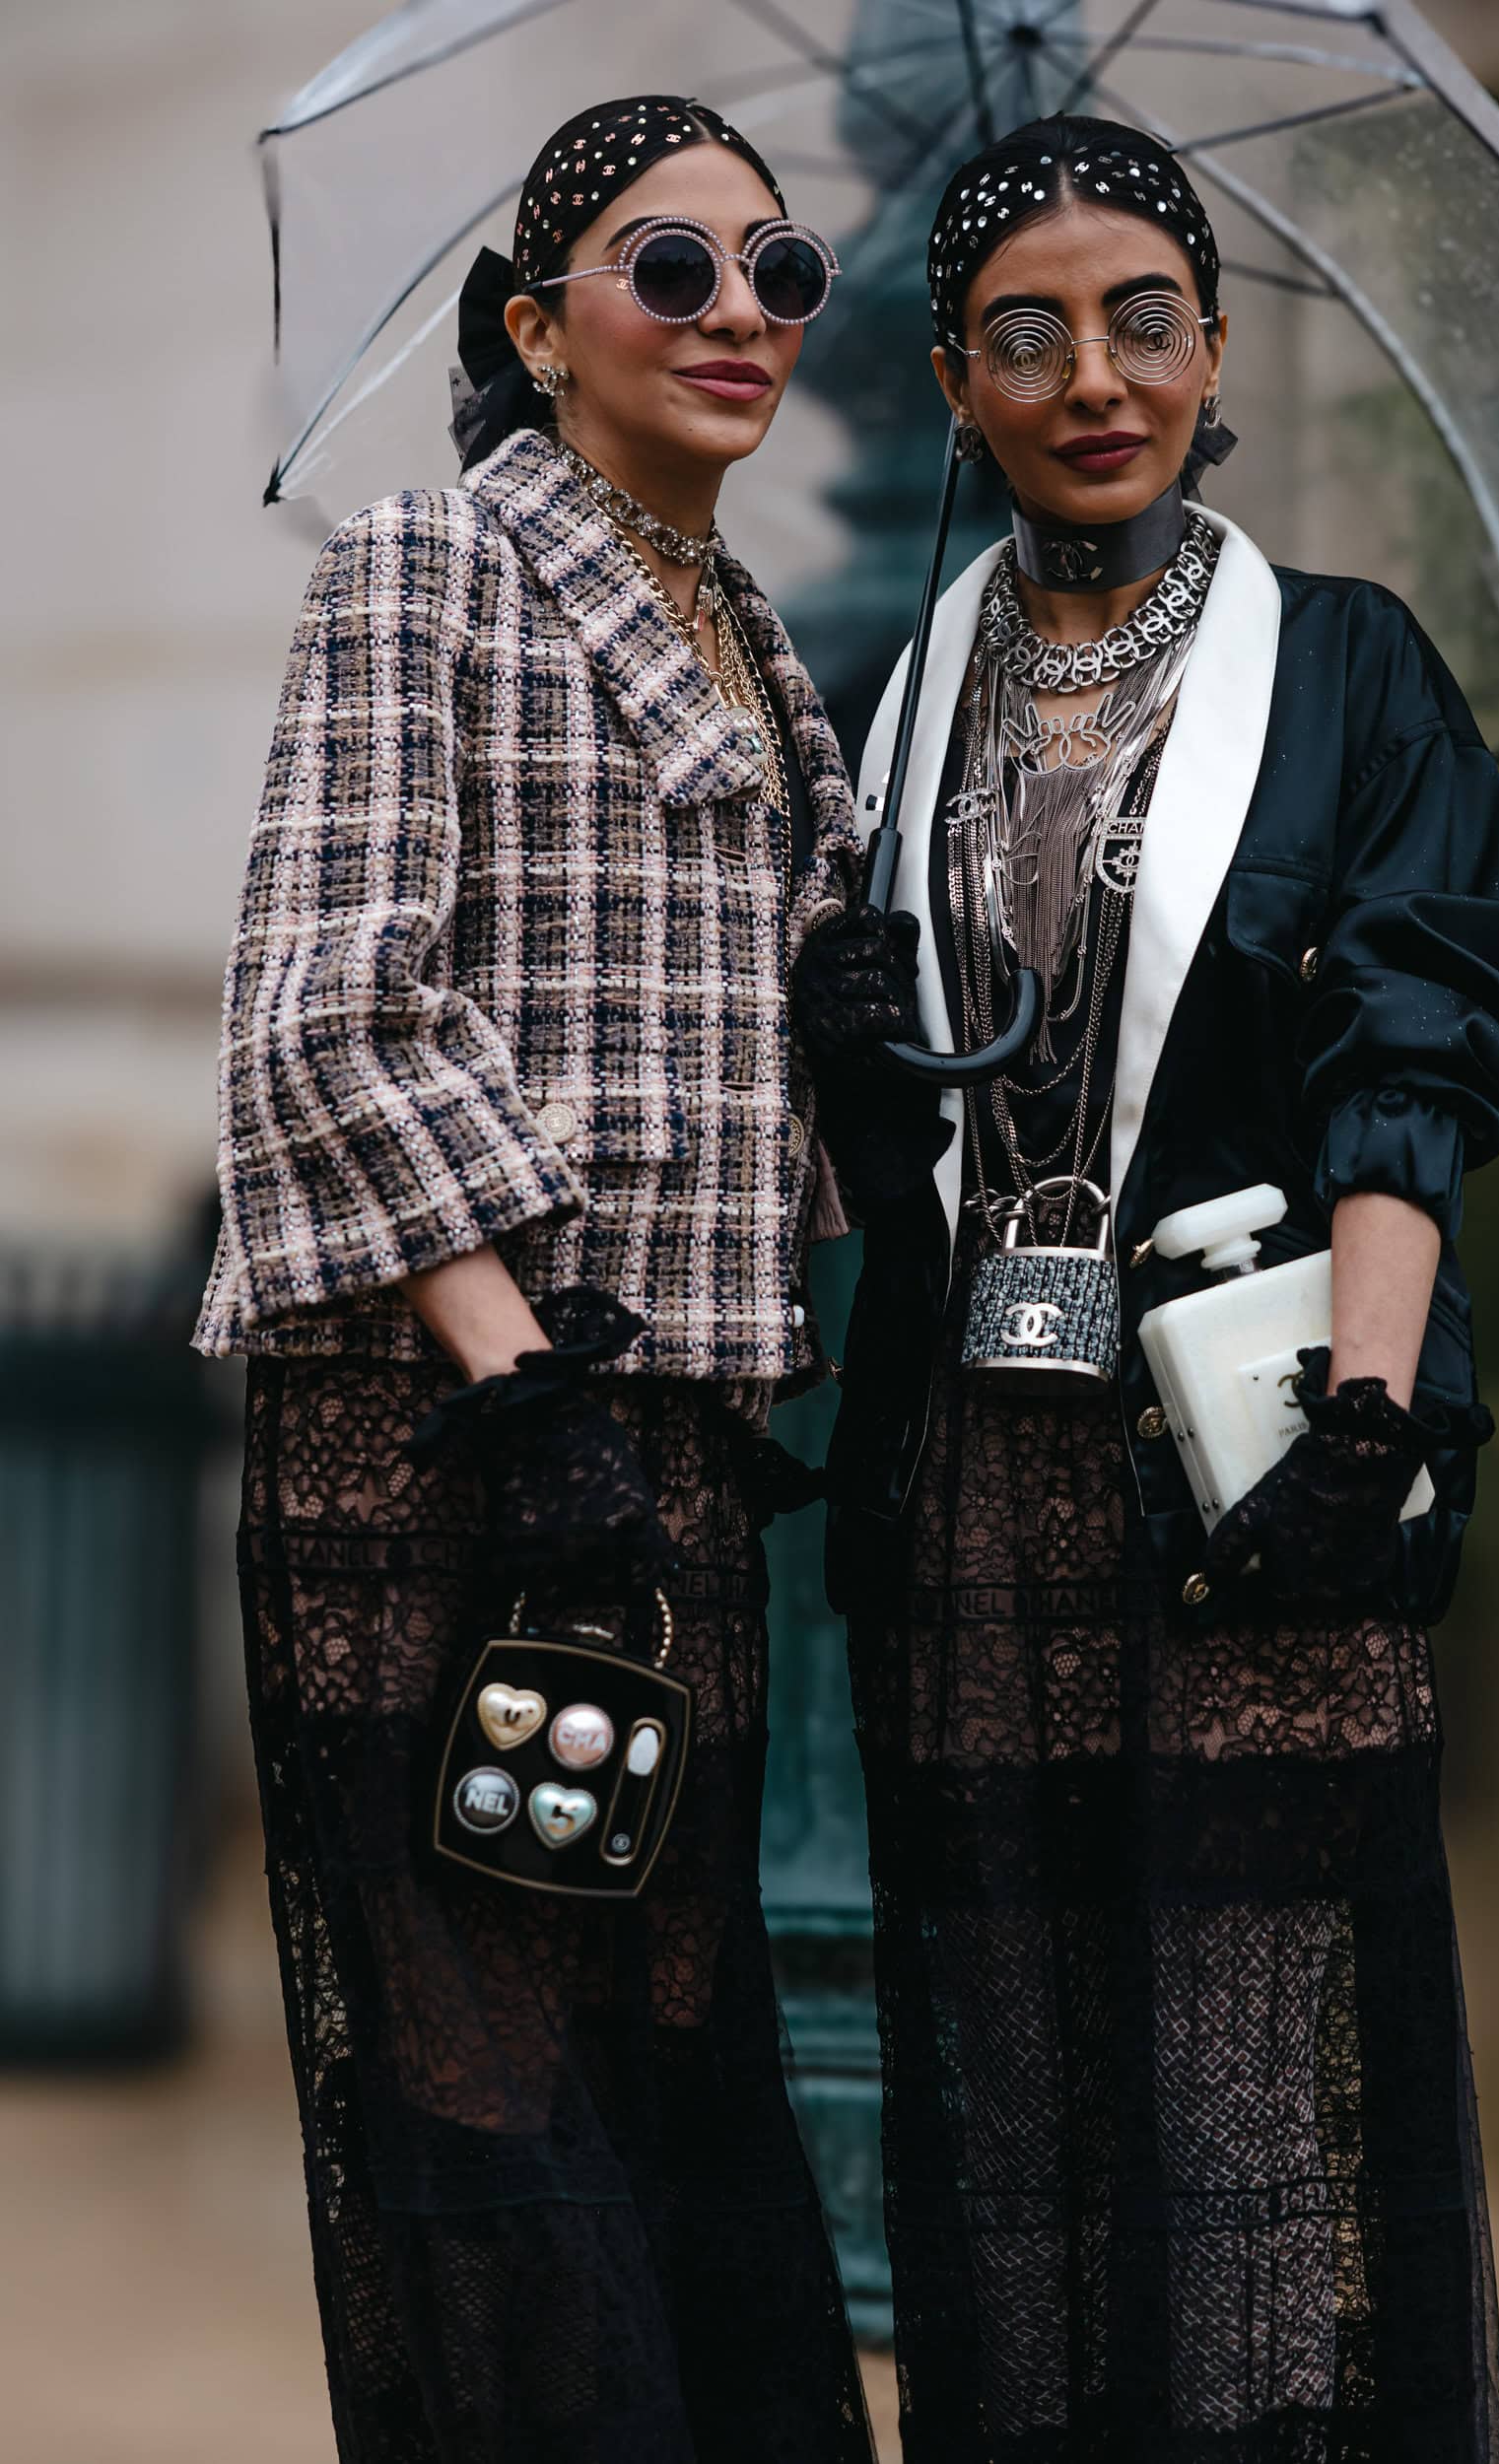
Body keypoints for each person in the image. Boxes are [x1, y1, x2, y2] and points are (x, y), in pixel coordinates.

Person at [795, 112, 1499, 2463]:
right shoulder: (891, 704)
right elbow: (888, 1166)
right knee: (1016, 2124)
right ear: (955, 381)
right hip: (970, 1496)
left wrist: (1368, 1418)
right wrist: (847, 1061)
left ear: (1214, 348)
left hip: (1251, 1479)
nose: (1095, 376)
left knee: (1255, 2133)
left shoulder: (1345, 669)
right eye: (1028, 335)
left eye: (1144, 320)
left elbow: (1415, 1061)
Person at [197, 93, 874, 2464]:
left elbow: (742, 1081)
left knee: (667, 2069)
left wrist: (857, 1012)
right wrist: (521, 1378)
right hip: (456, 1434)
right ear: (540, 323)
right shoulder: (431, 564)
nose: (738, 312)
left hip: (669, 1448)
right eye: (671, 268)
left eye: (779, 272)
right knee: (495, 2097)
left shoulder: (768, 657)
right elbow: (324, 1009)